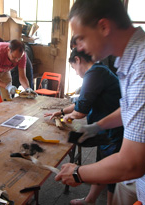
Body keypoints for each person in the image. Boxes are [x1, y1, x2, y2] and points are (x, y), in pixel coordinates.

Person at [55, 0, 145, 204]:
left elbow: (132, 164)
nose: (78, 48)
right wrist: (97, 126)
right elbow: (130, 108)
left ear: (104, 27)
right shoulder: (133, 59)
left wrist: (79, 173)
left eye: (80, 38)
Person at [45, 48, 123, 205]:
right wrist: (61, 112)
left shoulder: (94, 73)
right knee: (102, 165)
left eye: (73, 67)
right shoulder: (99, 71)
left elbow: (80, 113)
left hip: (115, 131)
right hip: (105, 129)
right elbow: (80, 102)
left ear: (78, 60)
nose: (75, 72)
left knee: (112, 173)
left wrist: (68, 117)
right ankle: (90, 200)